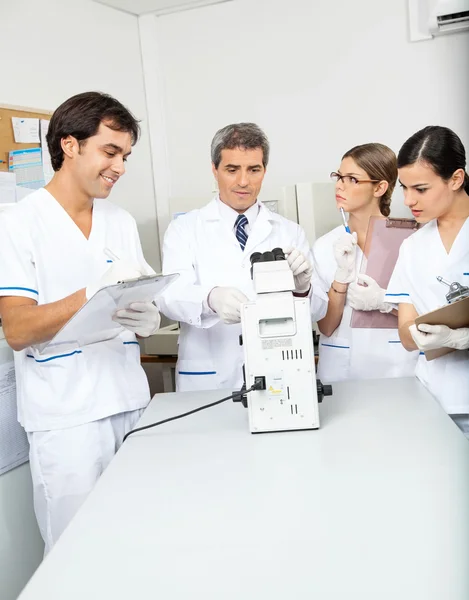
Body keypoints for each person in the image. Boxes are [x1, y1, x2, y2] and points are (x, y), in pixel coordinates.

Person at [0, 92, 161, 552]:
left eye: (126, 155)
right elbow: (18, 329)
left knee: (135, 543)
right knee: (77, 555)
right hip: (67, 417)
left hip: (128, 401)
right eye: (110, 152)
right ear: (69, 145)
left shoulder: (120, 220)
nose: (120, 167)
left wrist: (145, 314)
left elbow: (135, 292)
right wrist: (91, 293)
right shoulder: (18, 223)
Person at [158, 123, 322, 392]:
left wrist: (303, 291)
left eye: (253, 170)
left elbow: (317, 312)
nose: (243, 181)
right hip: (208, 375)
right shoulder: (185, 229)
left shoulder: (289, 232)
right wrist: (210, 298)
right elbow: (168, 297)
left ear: (264, 171)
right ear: (214, 170)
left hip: (277, 368)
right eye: (232, 170)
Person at [311, 143, 419, 382]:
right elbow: (327, 327)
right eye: (338, 176)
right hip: (342, 372)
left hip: (398, 367)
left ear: (380, 187)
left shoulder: (410, 241)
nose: (339, 185)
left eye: (352, 179)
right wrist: (340, 280)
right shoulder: (325, 246)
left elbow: (428, 317)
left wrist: (385, 302)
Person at [386, 126, 469, 436]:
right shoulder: (413, 246)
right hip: (434, 401)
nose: (408, 200)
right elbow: (407, 335)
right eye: (404, 188)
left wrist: (460, 339)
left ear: (456, 179)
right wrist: (427, 336)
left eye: (420, 189)